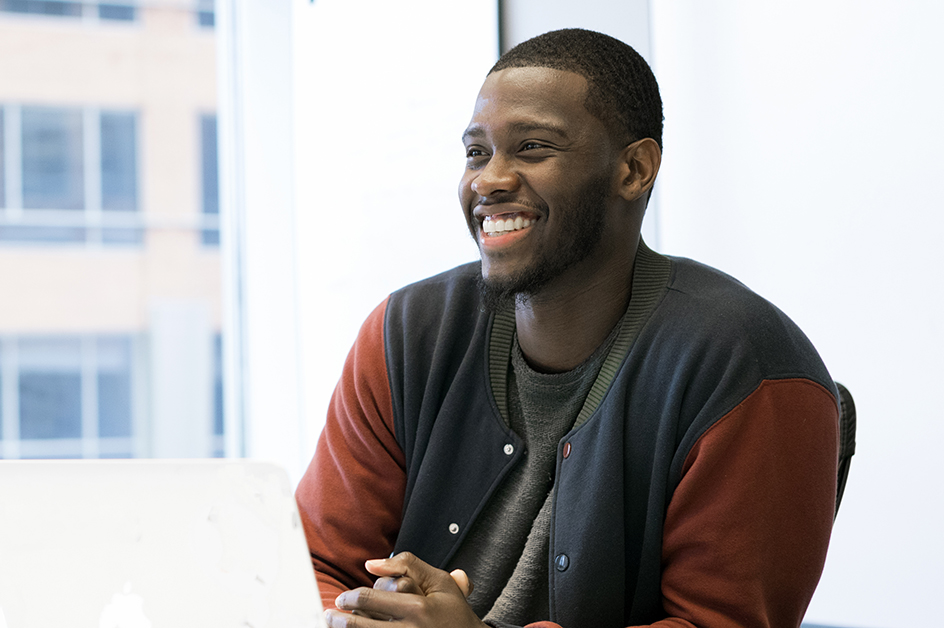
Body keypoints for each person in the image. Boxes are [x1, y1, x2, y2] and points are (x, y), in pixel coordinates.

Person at [294, 28, 840, 628]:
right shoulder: (405, 334)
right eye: (477, 152)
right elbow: (313, 565)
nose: (488, 180)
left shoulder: (750, 368)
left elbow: (718, 622)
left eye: (531, 148)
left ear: (635, 168)